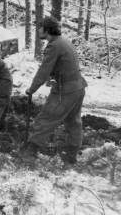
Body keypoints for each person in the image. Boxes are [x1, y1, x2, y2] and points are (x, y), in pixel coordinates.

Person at [24, 16, 87, 164]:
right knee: (73, 121)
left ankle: (29, 152)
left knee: (46, 118)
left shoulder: (53, 46)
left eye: (40, 27)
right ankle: (72, 155)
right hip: (78, 87)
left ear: (47, 30)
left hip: (66, 91)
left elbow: (44, 70)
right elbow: (62, 66)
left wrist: (32, 89)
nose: (38, 30)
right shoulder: (64, 42)